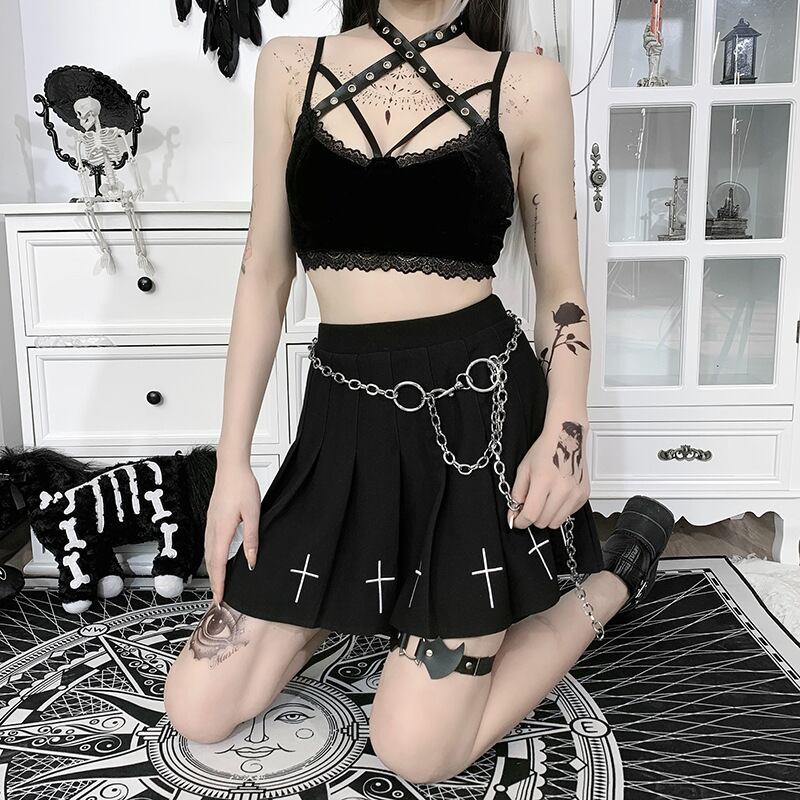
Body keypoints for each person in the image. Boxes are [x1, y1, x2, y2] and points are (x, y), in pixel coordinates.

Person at [164, 0, 675, 783]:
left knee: (415, 750)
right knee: (197, 707)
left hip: (476, 427)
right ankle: (340, 607)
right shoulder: (291, 67)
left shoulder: (527, 84)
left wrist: (566, 427)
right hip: (342, 431)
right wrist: (233, 461)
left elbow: (561, 288)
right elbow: (264, 274)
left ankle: (614, 577)